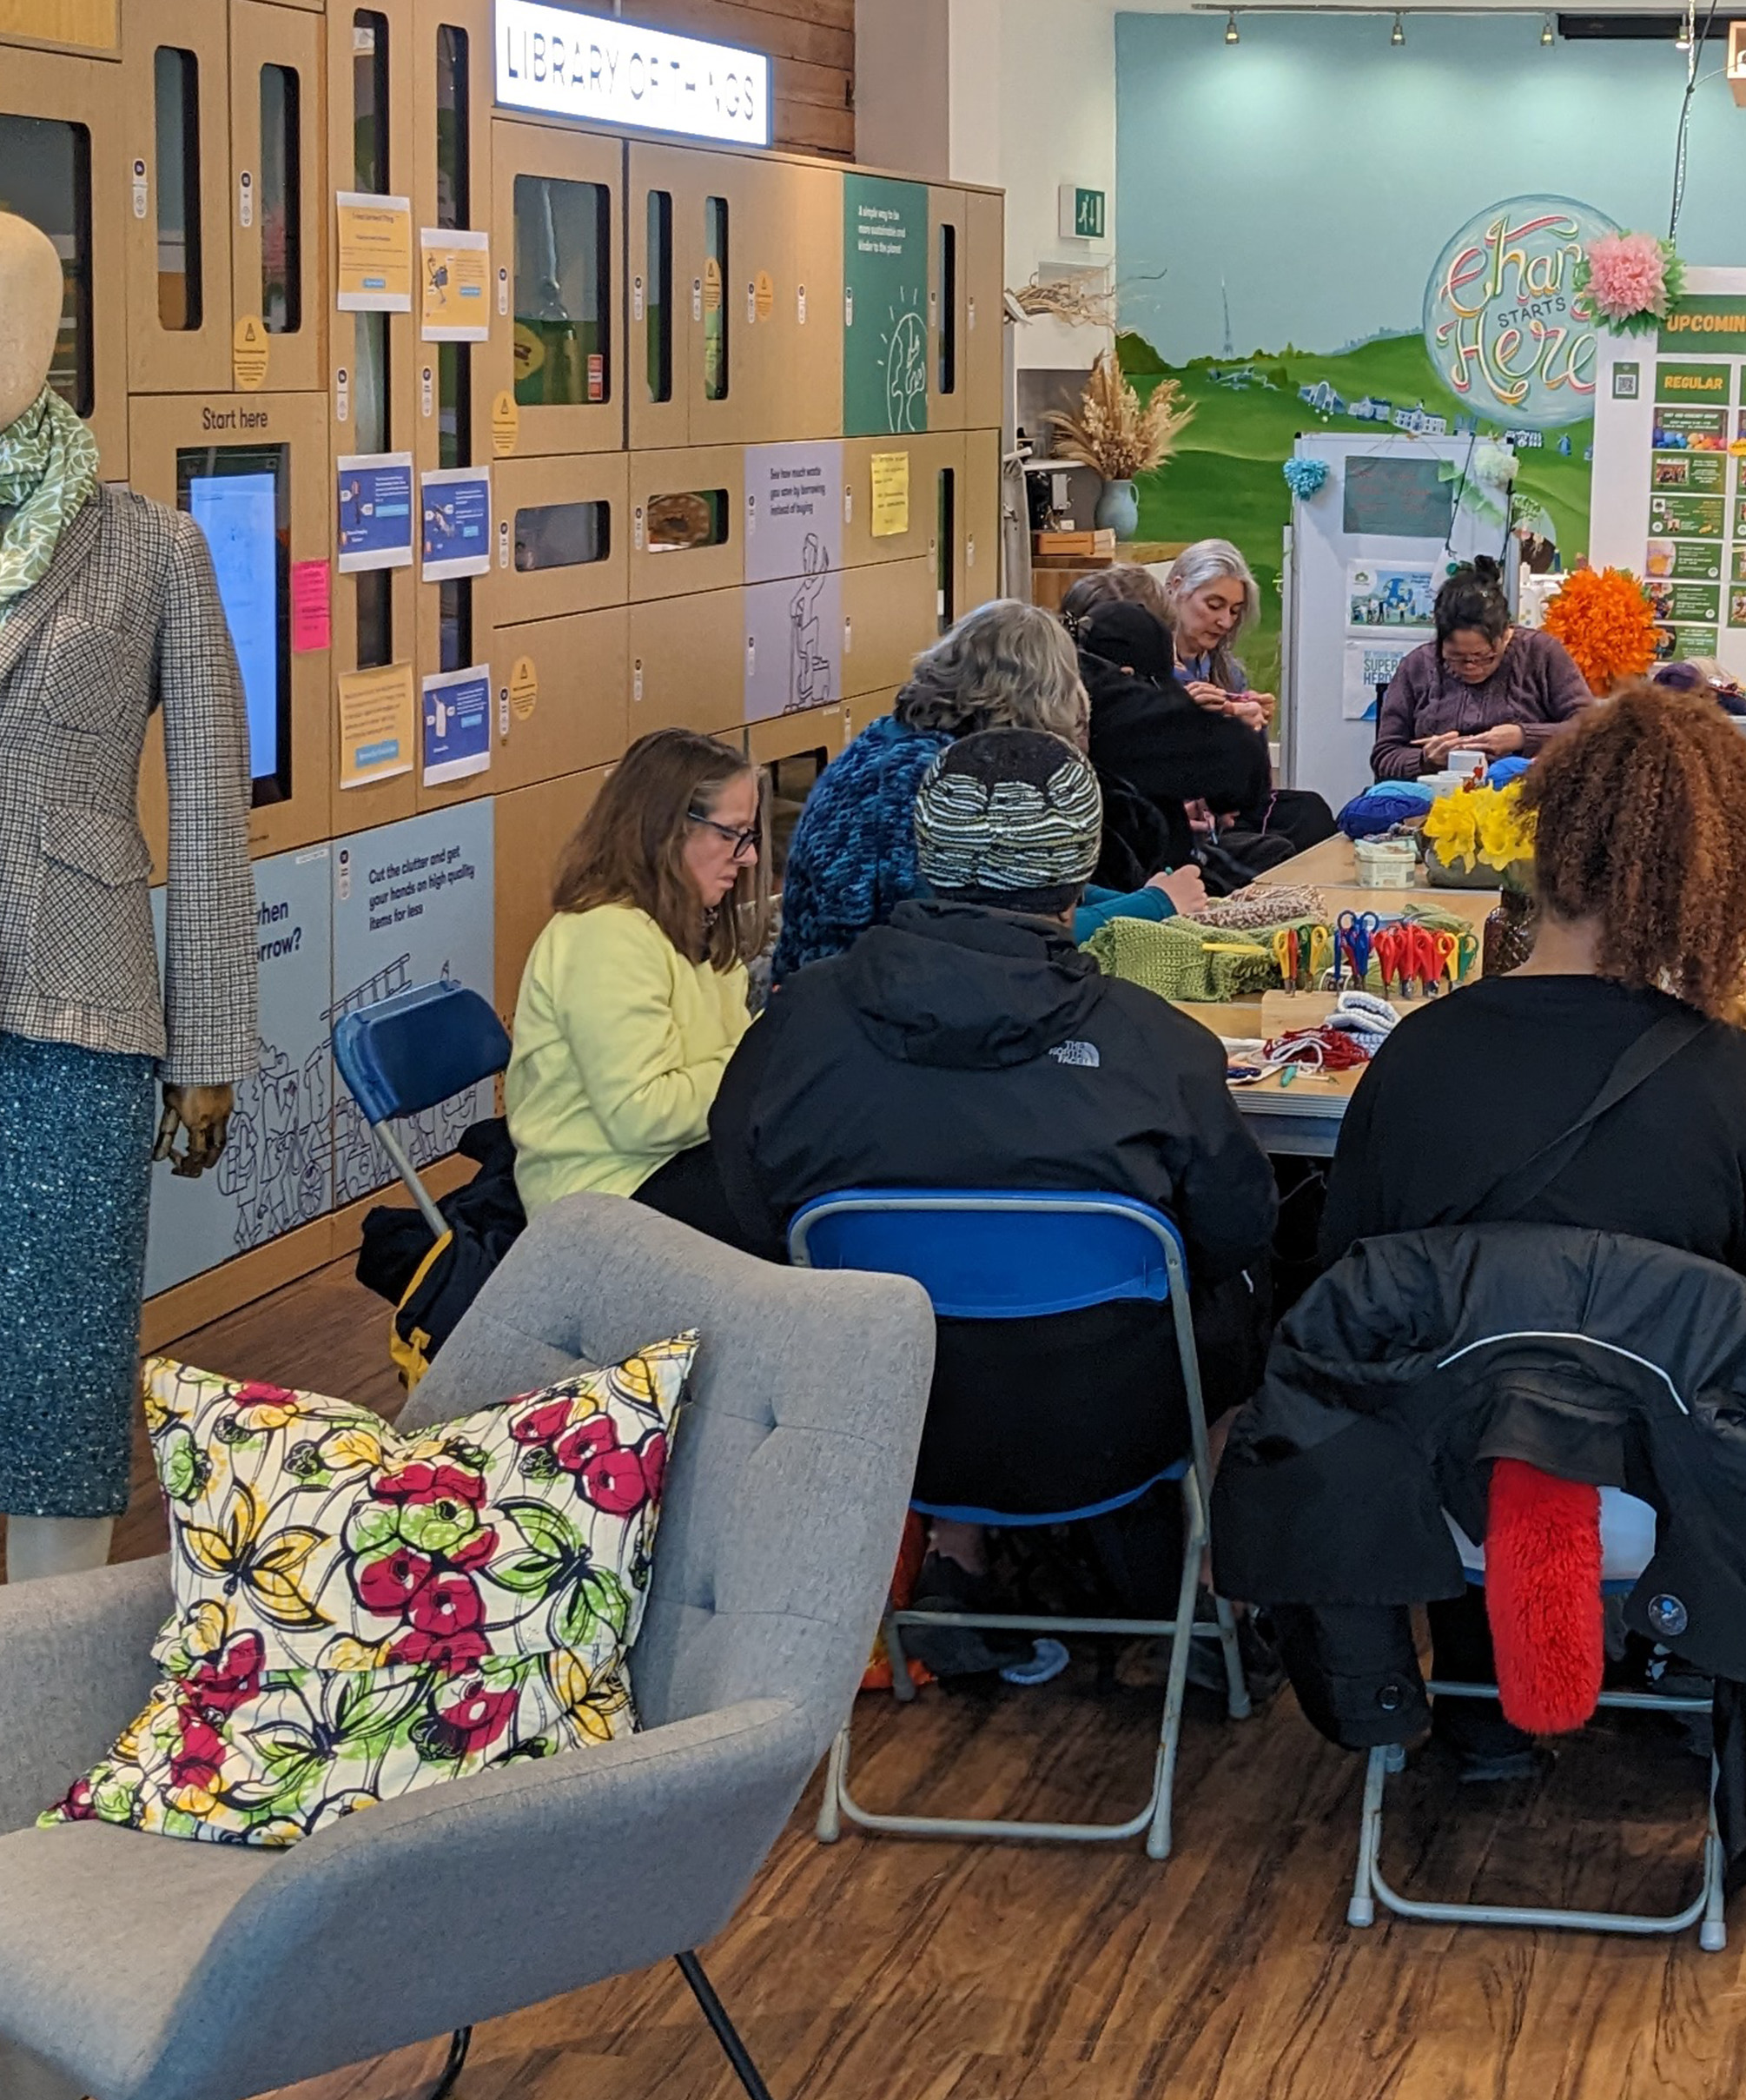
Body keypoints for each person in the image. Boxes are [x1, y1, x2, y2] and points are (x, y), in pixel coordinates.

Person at [1318, 680, 1746, 1774]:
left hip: (1433, 1499)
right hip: (1669, 1499)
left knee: (1460, 1377)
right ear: (1716, 878)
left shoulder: (1414, 1061)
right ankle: (1676, 1662)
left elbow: (1344, 1304)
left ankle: (1472, 1695)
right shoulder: (1737, 1082)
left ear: (1544, 842)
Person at [663, 732, 1278, 1630]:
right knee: (1252, 1292)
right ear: (1079, 866)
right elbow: (1238, 1228)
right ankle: (1222, 1591)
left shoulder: (798, 1030)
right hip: (1114, 1416)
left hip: (885, 1419)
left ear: (927, 853)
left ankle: (958, 1555)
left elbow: (756, 1212)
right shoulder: (1160, 1046)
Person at [502, 728, 763, 1216]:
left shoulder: (696, 923)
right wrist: (761, 1066)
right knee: (798, 1199)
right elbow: (643, 1116)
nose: (748, 857)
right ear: (668, 829)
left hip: (678, 1161)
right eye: (734, 834)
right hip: (603, 1198)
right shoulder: (605, 936)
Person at [767, 599, 1090, 984]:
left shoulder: (890, 741)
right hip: (865, 1004)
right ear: (1040, 699)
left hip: (836, 990)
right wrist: (1150, 904)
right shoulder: (933, 781)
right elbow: (990, 930)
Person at [1073, 587, 1293, 885]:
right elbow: (1241, 766)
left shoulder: (1067, 699)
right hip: (1147, 883)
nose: (1225, 622)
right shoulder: (1122, 716)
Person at [1367, 557, 1592, 784]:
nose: (1470, 667)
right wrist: (1426, 759)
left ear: (1506, 634)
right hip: (1436, 800)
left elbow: (1593, 728)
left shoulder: (1541, 652)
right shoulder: (1418, 665)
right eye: (1455, 658)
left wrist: (1524, 736)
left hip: (1525, 796)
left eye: (1485, 657)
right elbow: (1384, 757)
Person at [1163, 534, 1277, 731]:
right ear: (1177, 587)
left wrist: (1254, 721)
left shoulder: (1230, 674)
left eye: (1234, 611)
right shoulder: (1142, 668)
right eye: (1214, 605)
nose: (1225, 622)